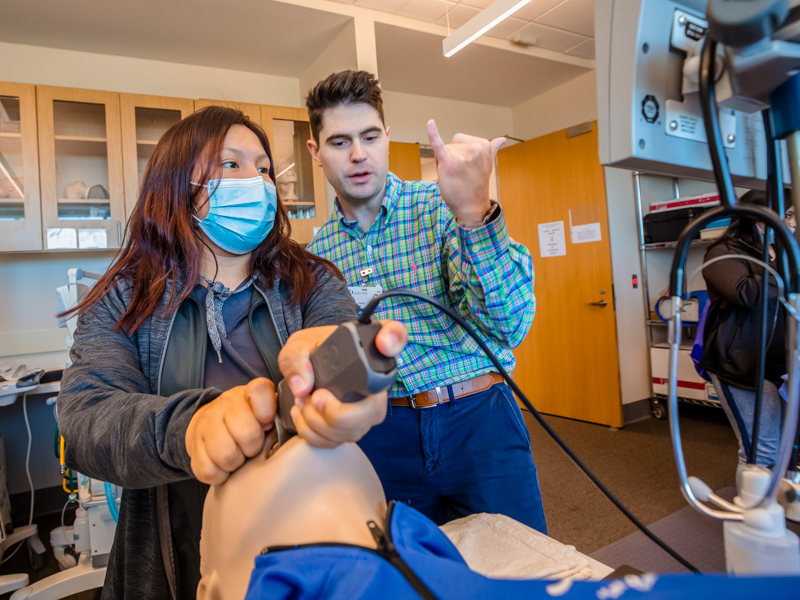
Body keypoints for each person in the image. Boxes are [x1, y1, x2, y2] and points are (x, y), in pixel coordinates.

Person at [56, 105, 407, 600]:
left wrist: (336, 383)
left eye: (264, 167)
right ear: (177, 183)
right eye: (231, 164)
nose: (258, 181)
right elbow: (86, 414)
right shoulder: (125, 295)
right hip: (166, 563)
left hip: (300, 555)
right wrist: (192, 427)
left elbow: (335, 339)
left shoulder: (312, 280)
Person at [302, 70, 545, 532]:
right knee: (410, 577)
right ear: (315, 152)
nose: (358, 154)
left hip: (478, 421)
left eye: (370, 136)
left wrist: (474, 213)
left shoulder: (442, 205)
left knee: (519, 571)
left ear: (387, 138)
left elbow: (509, 325)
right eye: (339, 142)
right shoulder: (319, 256)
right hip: (382, 434)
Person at [698, 190, 787, 470]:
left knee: (787, 445)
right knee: (762, 449)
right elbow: (747, 295)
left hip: (782, 362)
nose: (792, 223)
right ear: (756, 216)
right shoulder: (722, 253)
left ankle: (776, 502)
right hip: (742, 365)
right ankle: (753, 511)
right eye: (787, 215)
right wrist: (782, 261)